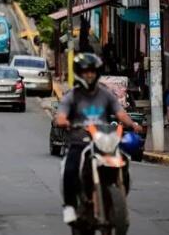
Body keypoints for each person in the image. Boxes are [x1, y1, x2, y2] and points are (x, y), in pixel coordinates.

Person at [55, 53, 142, 224]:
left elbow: (120, 113)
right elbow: (60, 117)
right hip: (79, 142)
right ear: (79, 73)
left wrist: (132, 124)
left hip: (102, 140)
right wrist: (64, 122)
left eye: (93, 71)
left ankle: (117, 193)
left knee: (123, 161)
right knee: (70, 169)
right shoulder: (71, 96)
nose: (90, 75)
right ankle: (70, 207)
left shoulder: (106, 94)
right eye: (86, 71)